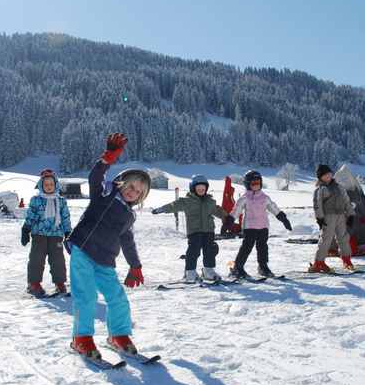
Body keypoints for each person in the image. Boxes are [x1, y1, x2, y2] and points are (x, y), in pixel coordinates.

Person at [66, 133, 150, 360]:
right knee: (87, 296)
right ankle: (81, 338)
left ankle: (118, 335)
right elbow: (95, 177)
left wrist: (135, 266)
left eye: (138, 191)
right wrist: (108, 158)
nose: (133, 191)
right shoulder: (105, 193)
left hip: (105, 261)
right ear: (122, 182)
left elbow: (127, 241)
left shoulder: (129, 215)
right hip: (83, 250)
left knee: (117, 297)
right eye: (131, 186)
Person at [151, 175, 234, 283]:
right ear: (193, 189)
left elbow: (218, 210)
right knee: (193, 251)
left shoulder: (210, 201)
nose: (201, 191)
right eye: (198, 189)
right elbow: (173, 205)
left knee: (209, 251)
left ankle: (208, 270)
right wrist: (161, 209)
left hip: (209, 230)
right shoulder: (187, 201)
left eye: (203, 189)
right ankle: (190, 272)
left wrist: (227, 217)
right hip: (194, 231)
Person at [227, 170, 292, 279]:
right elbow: (236, 210)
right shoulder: (245, 198)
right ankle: (237, 268)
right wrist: (229, 220)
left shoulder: (264, 197)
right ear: (248, 184)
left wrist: (283, 218)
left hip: (263, 227)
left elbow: (273, 207)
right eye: (253, 183)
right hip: (250, 227)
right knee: (246, 248)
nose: (256, 185)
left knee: (263, 248)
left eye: (258, 183)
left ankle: (263, 266)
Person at [21, 169, 72, 297]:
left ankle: (60, 283)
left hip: (56, 235)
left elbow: (65, 217)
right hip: (39, 235)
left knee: (58, 260)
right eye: (46, 185)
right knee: (36, 259)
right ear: (41, 186)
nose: (49, 187)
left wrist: (68, 232)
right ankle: (34, 284)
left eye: (51, 184)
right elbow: (31, 215)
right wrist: (26, 229)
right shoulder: (36, 200)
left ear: (56, 185)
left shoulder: (61, 201)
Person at [310, 165, 355, 273]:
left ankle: (346, 259)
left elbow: (346, 201)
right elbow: (317, 205)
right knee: (326, 239)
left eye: (329, 174)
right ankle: (318, 263)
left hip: (341, 216)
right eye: (325, 175)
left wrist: (351, 214)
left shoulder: (339, 187)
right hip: (328, 217)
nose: (328, 177)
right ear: (320, 177)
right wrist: (320, 218)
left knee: (343, 238)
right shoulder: (320, 189)